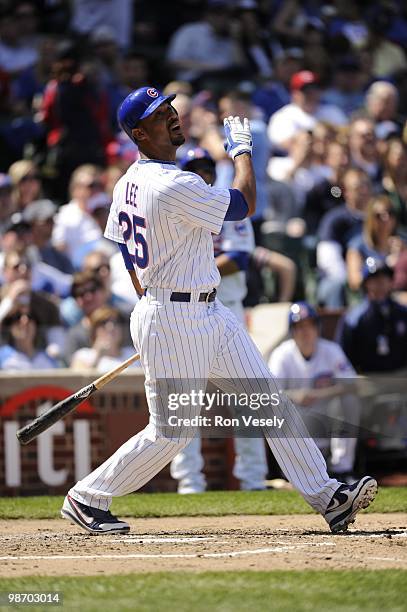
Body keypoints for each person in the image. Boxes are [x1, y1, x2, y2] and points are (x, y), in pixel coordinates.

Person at [61, 85, 377, 535]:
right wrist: (242, 150)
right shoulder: (172, 184)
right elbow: (244, 203)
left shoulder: (128, 182)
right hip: (176, 317)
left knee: (268, 402)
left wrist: (158, 301)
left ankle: (328, 497)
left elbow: (133, 263)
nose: (171, 116)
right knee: (172, 432)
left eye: (170, 108)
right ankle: (88, 496)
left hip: (200, 311)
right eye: (158, 115)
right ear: (139, 134)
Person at [170, 147, 268, 493]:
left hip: (228, 307)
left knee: (246, 398)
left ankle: (254, 479)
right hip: (188, 311)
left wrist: (195, 270)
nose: (202, 174)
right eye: (194, 168)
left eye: (207, 168)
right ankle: (189, 484)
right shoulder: (177, 208)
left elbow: (240, 258)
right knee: (184, 400)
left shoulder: (230, 205)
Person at [269, 302, 358, 482]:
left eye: (309, 325)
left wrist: (317, 394)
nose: (305, 331)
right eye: (299, 327)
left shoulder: (331, 350)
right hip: (296, 416)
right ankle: (293, 471)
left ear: (317, 327)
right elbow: (267, 394)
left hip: (326, 413)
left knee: (349, 400)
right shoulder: (282, 354)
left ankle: (342, 469)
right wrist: (294, 395)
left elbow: (352, 385)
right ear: (292, 331)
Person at [337, 258, 407, 373]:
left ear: (391, 281)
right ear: (366, 284)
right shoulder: (354, 319)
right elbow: (344, 357)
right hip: (369, 378)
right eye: (374, 279)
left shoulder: (402, 313)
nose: (380, 284)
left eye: (384, 278)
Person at [346, 195, 405, 293]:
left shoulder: (403, 242)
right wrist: (384, 265)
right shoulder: (358, 245)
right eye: (379, 215)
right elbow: (354, 282)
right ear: (370, 219)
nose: (386, 218)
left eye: (390, 213)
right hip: (374, 298)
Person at [70, 306, 135, 372]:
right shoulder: (82, 356)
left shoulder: (132, 354)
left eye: (116, 322)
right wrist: (98, 356)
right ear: (94, 330)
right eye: (103, 323)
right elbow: (80, 381)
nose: (110, 327)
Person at [0, 305, 58, 371]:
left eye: (29, 317)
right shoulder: (1, 358)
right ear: (10, 326)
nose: (24, 321)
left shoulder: (48, 359)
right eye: (18, 317)